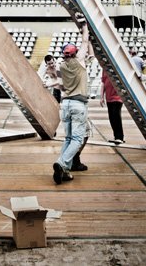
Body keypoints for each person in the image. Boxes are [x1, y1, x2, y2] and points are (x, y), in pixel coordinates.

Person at [52, 26, 91, 184]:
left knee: (68, 138)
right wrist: (85, 27)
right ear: (75, 53)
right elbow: (85, 41)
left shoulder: (60, 67)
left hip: (65, 104)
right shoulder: (79, 61)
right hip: (78, 104)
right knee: (77, 139)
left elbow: (61, 87)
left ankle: (64, 171)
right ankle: (61, 163)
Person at [101, 68, 125, 145]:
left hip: (117, 97)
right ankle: (116, 136)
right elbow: (103, 83)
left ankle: (119, 137)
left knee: (116, 115)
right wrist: (102, 97)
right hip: (108, 97)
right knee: (111, 117)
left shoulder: (117, 67)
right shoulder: (104, 69)